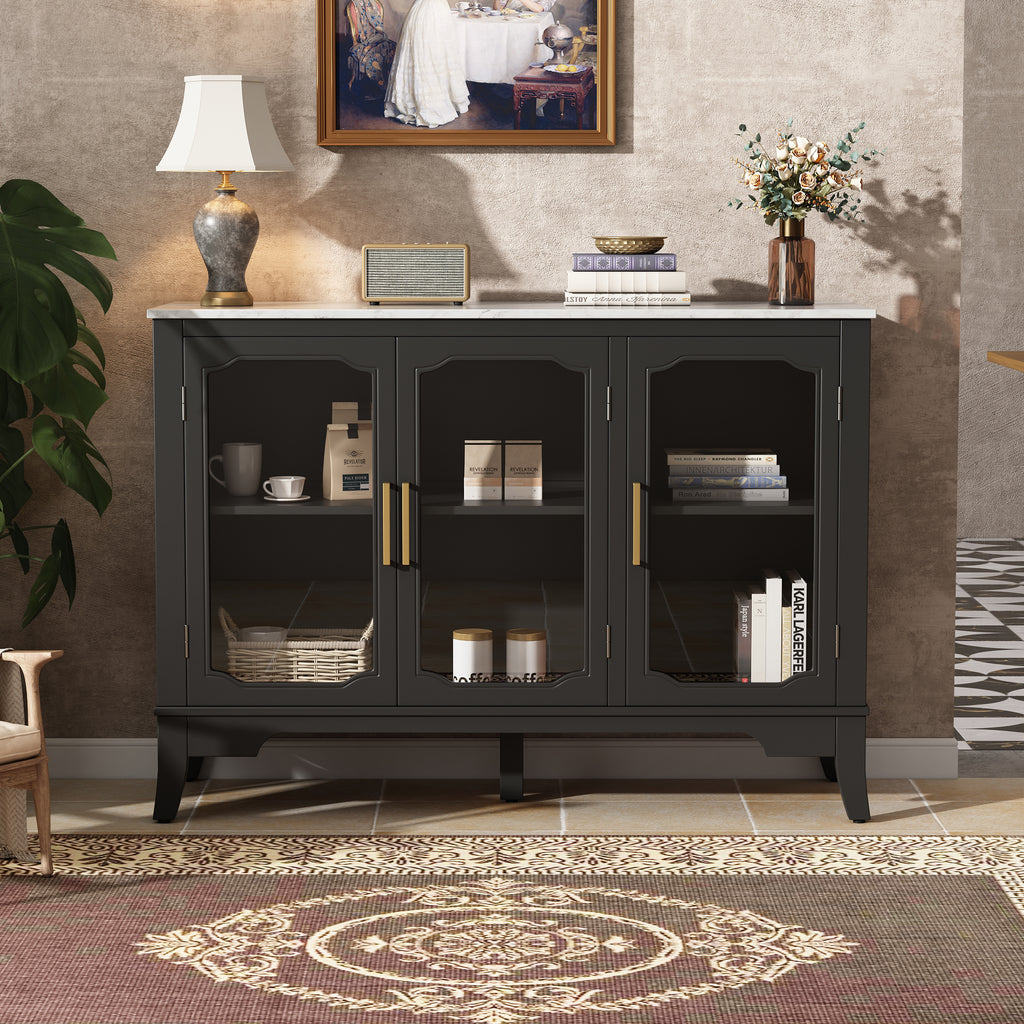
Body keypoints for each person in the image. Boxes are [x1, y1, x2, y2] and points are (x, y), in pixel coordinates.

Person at [384, 0, 470, 128]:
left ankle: (439, 100)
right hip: (426, 12)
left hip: (437, 12)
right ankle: (420, 103)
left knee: (438, 52)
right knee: (424, 52)